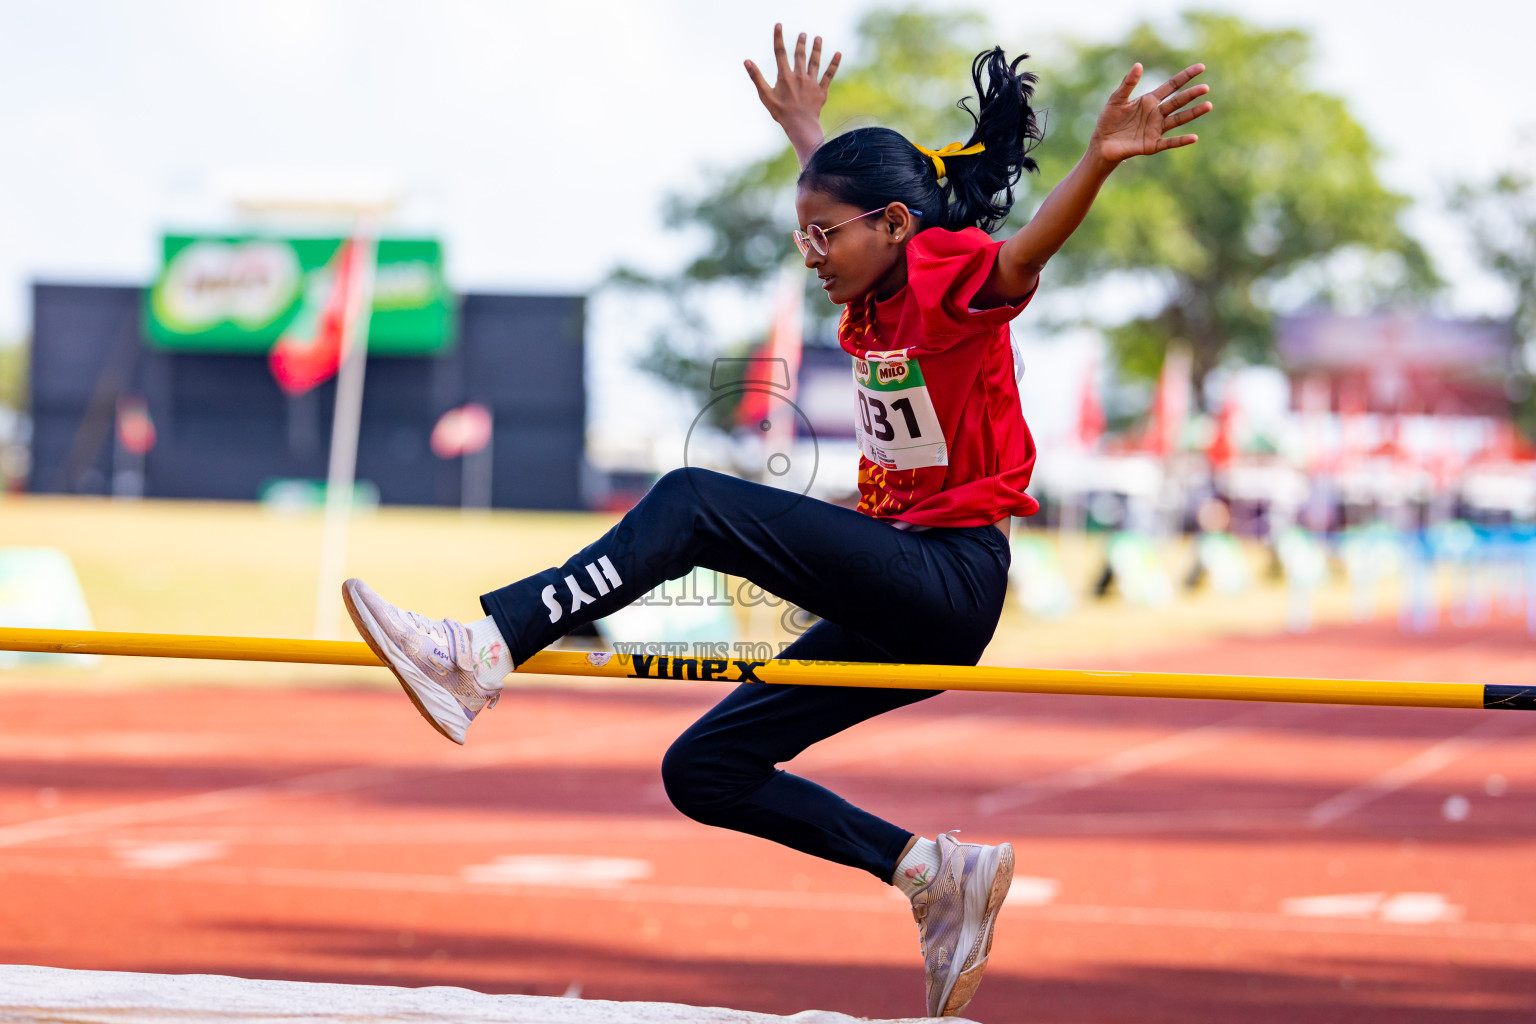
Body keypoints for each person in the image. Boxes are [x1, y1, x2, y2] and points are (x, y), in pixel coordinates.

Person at [342, 23, 1210, 1018]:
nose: (810, 257)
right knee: (704, 768)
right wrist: (809, 135)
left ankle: (484, 650)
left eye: (823, 237)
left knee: (694, 501)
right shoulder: (878, 281)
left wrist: (1097, 164)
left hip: (949, 580)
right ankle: (934, 872)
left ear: (893, 224)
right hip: (906, 583)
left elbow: (1018, 262)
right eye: (803, 236)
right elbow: (852, 214)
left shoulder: (941, 270)